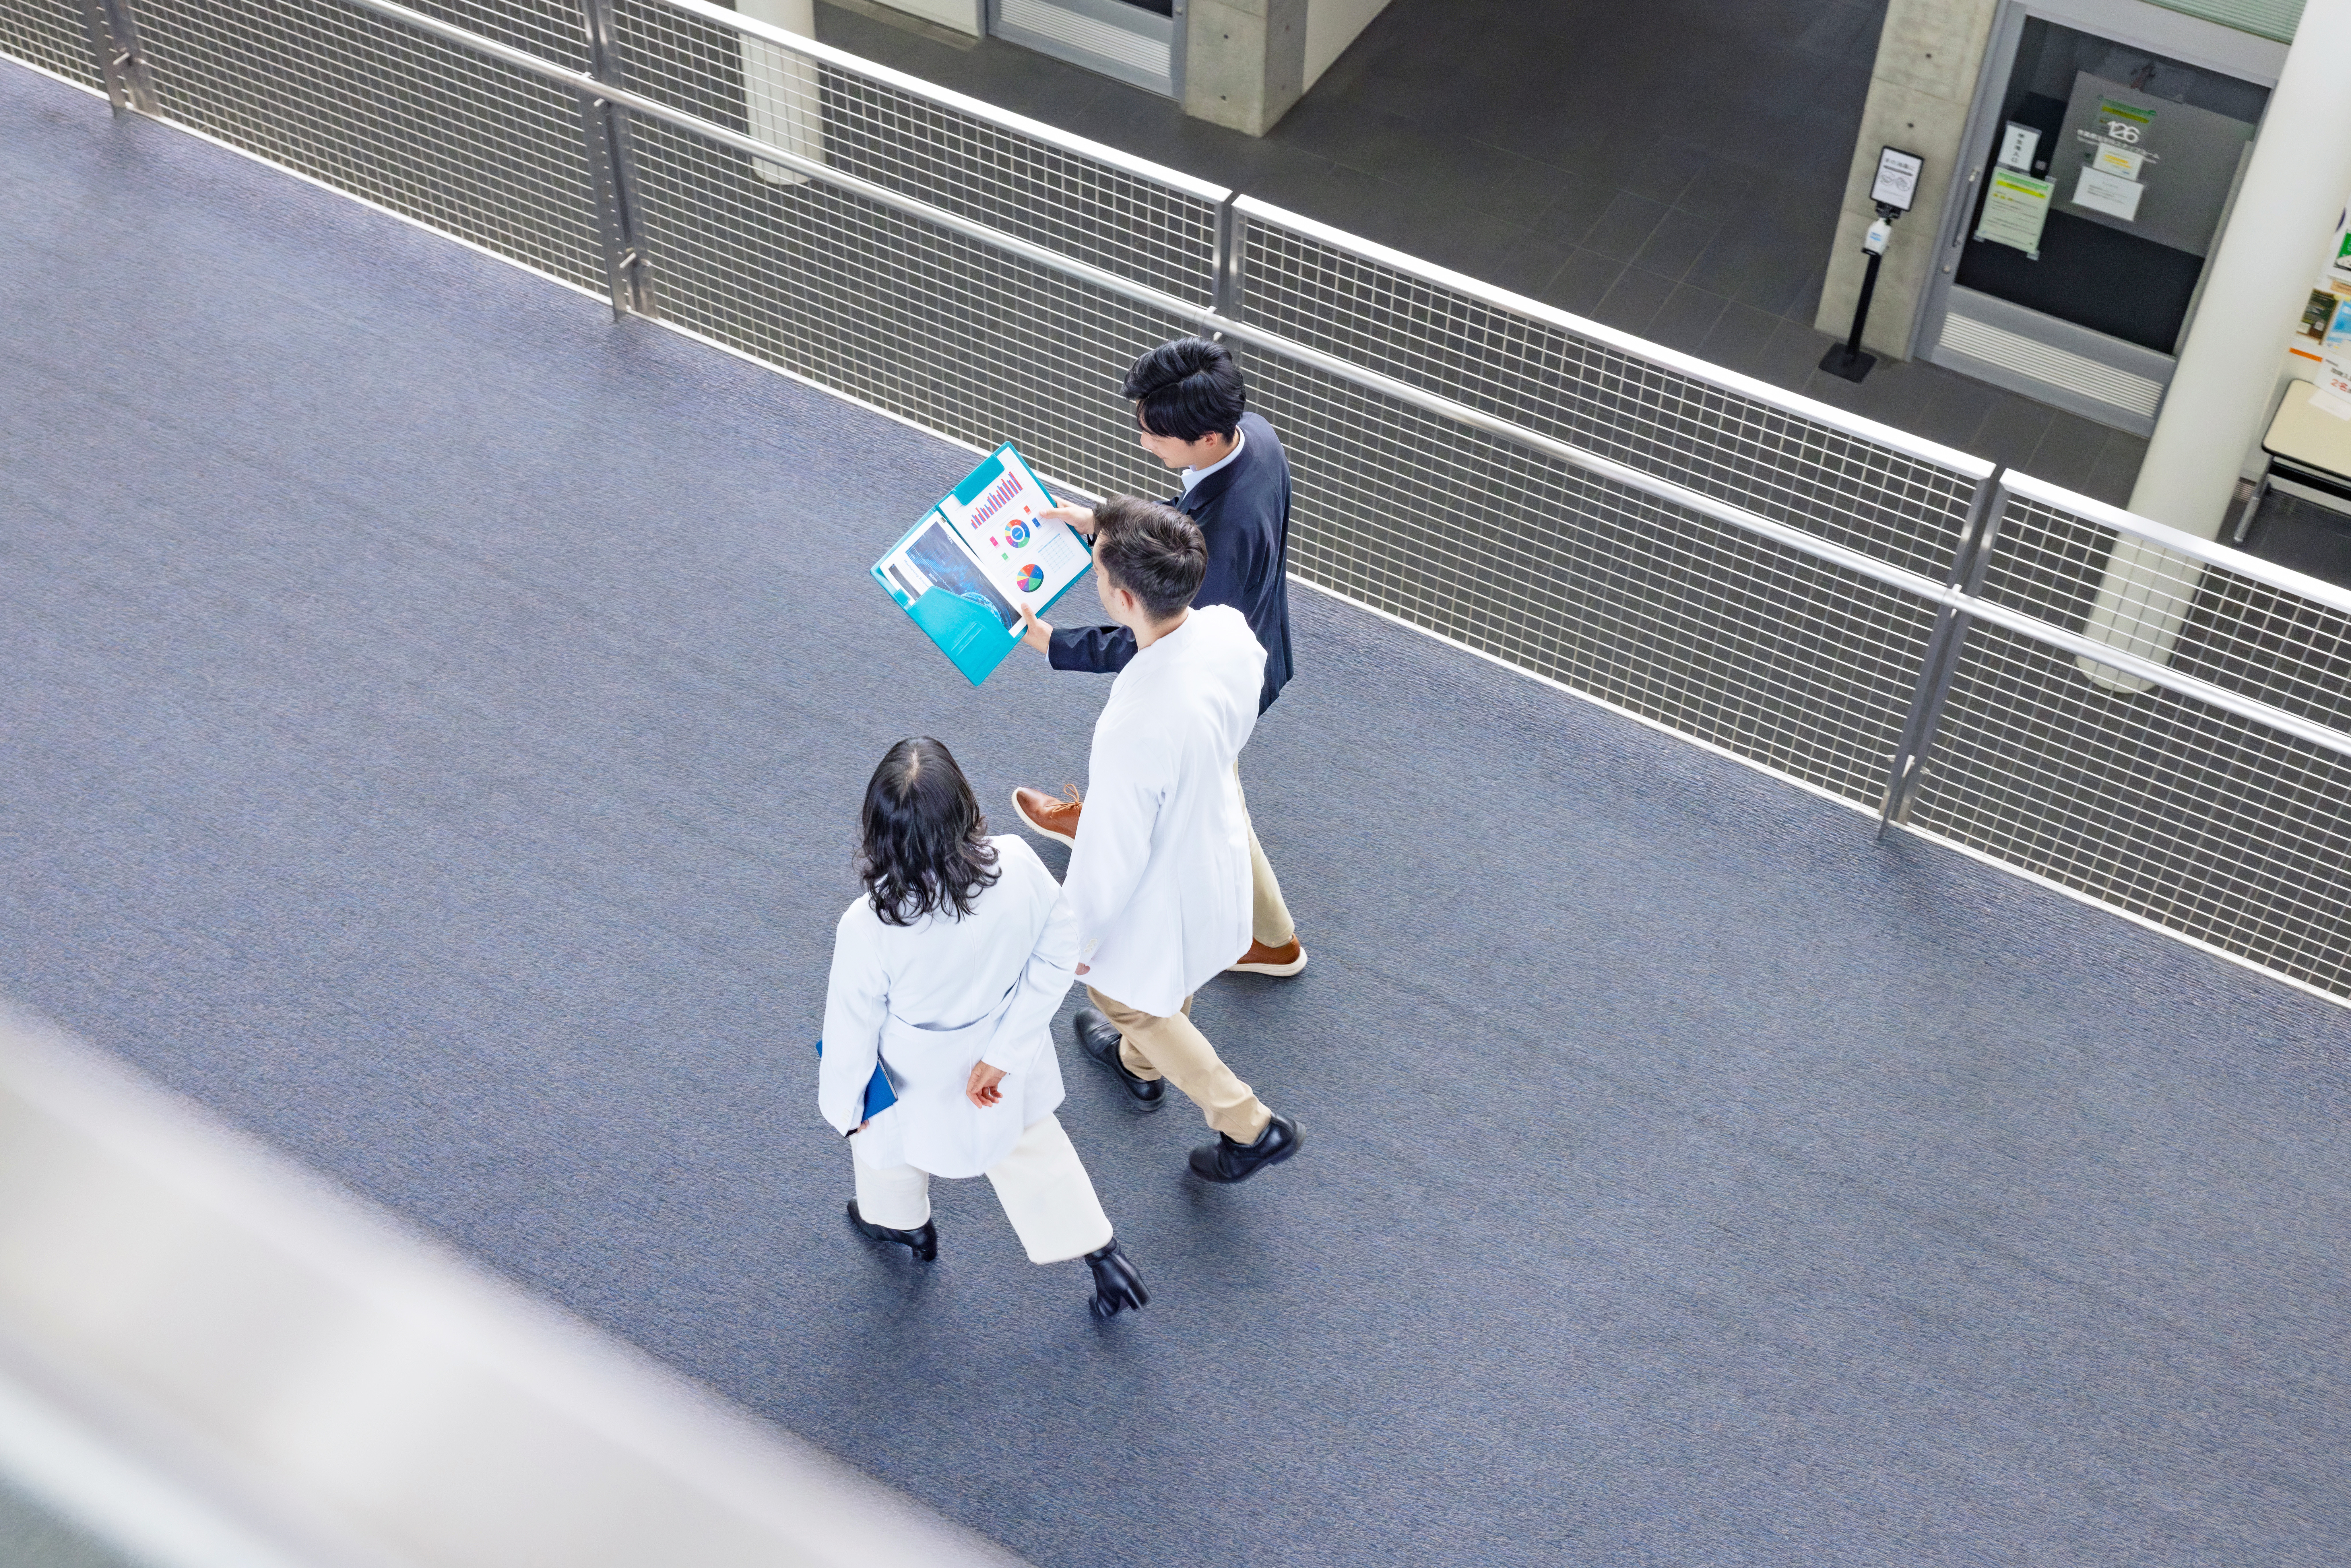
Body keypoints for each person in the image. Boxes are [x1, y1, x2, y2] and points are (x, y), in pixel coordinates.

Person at [1009, 337, 1306, 979]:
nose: (1144, 443)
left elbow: (1160, 634)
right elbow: (1186, 517)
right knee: (1196, 784)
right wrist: (1103, 522)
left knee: (1217, 800)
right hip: (1253, 641)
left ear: (1205, 437)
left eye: (1154, 434)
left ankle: (1273, 939)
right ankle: (1105, 821)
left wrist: (1055, 643)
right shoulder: (1254, 435)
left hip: (1220, 678)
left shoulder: (1223, 540)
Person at [819, 737, 1147, 1319]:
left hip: (915, 1076)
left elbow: (852, 1033)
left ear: (879, 827)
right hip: (1002, 1060)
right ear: (963, 805)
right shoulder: (1017, 862)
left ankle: (905, 1226)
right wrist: (1004, 1053)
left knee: (885, 1150)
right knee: (1033, 1146)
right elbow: (1058, 951)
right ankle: (1102, 1254)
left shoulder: (868, 925)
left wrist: (845, 1109)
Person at [1049, 498, 1303, 1183]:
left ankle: (1249, 1124)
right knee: (1172, 976)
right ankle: (1138, 1066)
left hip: (1164, 882)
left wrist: (1074, 941)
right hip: (1213, 845)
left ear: (1123, 598)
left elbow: (1112, 852)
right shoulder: (1227, 631)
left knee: (1125, 999)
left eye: (1099, 574)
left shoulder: (1136, 721)